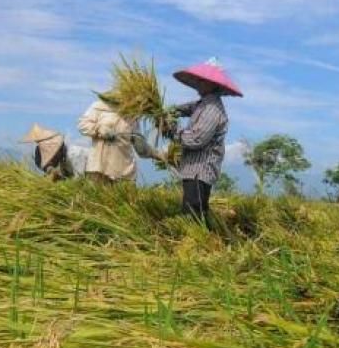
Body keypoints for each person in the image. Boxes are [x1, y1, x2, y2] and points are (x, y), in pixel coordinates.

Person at [167, 57, 243, 223]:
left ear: (213, 84)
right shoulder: (203, 104)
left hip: (199, 171)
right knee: (195, 212)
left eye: (203, 80)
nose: (198, 83)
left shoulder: (212, 110)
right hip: (193, 170)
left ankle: (198, 244)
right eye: (199, 79)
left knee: (193, 214)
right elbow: (189, 108)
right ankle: (199, 242)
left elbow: (196, 139)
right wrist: (170, 111)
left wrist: (172, 131)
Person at [77, 96, 158, 184]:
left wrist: (160, 155)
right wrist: (99, 129)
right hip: (99, 169)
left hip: (124, 173)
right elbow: (82, 124)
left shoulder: (132, 117)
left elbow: (141, 148)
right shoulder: (99, 107)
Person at [20, 124, 86, 181]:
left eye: (51, 158)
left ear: (57, 152)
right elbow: (66, 177)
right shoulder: (62, 159)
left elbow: (80, 180)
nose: (51, 161)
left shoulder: (75, 154)